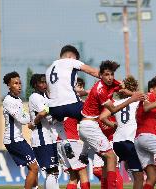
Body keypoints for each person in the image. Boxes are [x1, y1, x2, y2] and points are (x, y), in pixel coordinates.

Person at [79, 60, 145, 189]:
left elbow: (122, 88)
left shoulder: (112, 82)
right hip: (89, 125)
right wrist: (133, 98)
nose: (110, 77)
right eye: (106, 75)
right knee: (111, 157)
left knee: (106, 160)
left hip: (90, 126)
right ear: (101, 75)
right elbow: (113, 110)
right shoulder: (100, 90)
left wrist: (132, 94)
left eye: (111, 74)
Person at [45, 45, 99, 158]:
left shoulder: (49, 68)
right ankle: (86, 151)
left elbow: (50, 92)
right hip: (71, 104)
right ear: (71, 56)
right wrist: (110, 80)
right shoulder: (70, 61)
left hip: (54, 108)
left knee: (57, 122)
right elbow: (93, 72)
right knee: (91, 118)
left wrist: (86, 92)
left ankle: (64, 142)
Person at [99, 76, 144, 189]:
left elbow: (103, 117)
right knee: (139, 176)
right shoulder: (137, 101)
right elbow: (144, 96)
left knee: (114, 171)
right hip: (129, 141)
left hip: (117, 142)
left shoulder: (116, 103)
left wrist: (114, 125)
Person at [2, 71, 39, 189]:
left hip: (19, 138)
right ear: (9, 85)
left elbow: (24, 117)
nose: (19, 86)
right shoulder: (8, 100)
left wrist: (27, 116)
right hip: (13, 140)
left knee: (34, 166)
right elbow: (22, 119)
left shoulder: (17, 99)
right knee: (34, 167)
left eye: (20, 83)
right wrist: (29, 116)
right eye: (15, 83)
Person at [55, 78, 90, 189]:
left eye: (81, 86)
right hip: (71, 141)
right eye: (78, 86)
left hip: (60, 141)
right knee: (83, 173)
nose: (81, 89)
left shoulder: (59, 101)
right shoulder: (77, 103)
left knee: (74, 177)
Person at [28, 74, 59, 189]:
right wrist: (56, 106)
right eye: (42, 82)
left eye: (46, 82)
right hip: (42, 138)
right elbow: (43, 112)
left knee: (53, 171)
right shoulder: (35, 97)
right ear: (35, 84)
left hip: (49, 137)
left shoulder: (44, 96)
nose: (45, 84)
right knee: (52, 171)